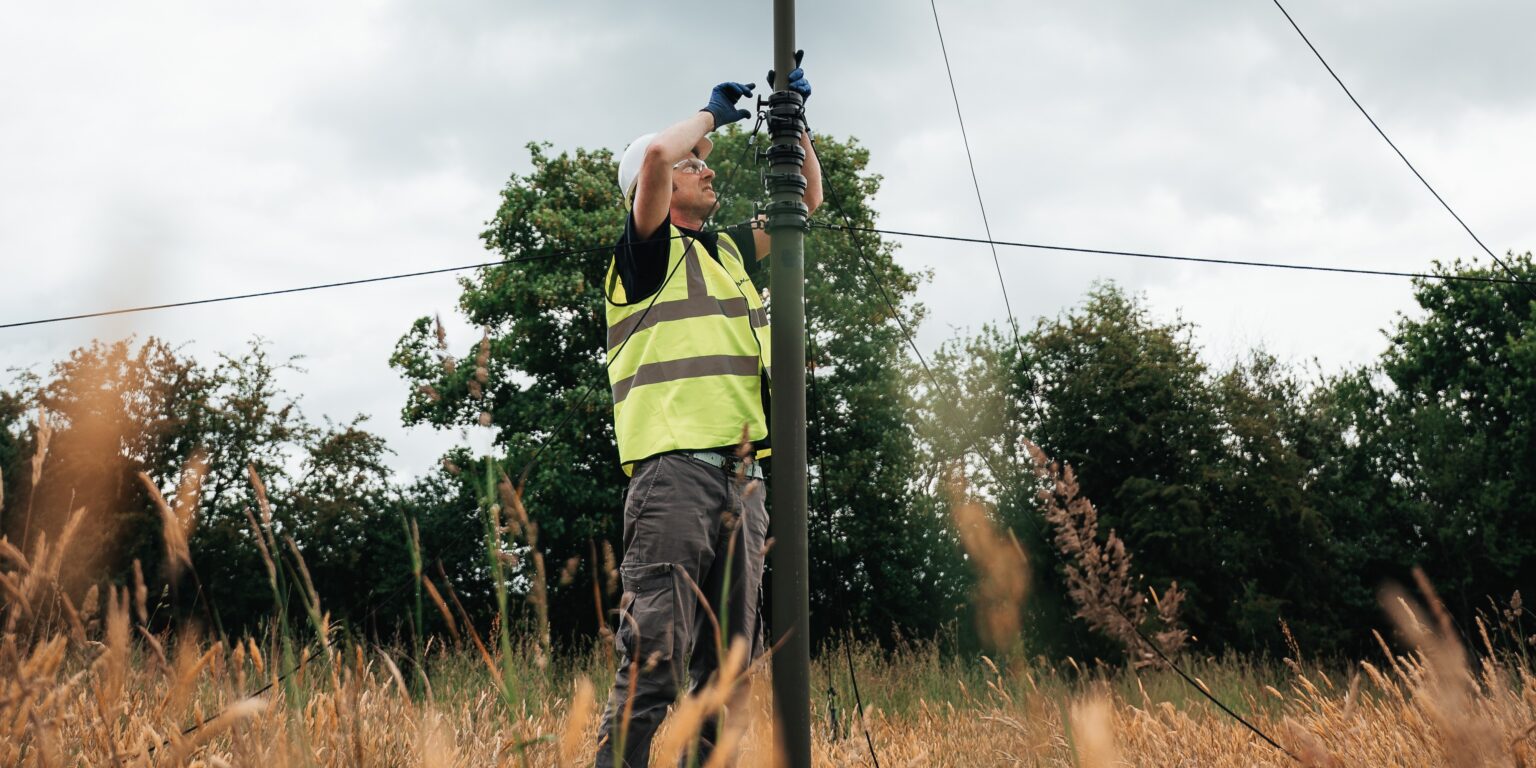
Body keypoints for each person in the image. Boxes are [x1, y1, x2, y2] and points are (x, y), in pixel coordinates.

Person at [593, 59, 821, 768]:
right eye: (700, 165)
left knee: (728, 673)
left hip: (743, 484)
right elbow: (661, 151)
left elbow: (805, 203)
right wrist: (713, 115)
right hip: (674, 479)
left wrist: (796, 126)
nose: (708, 171)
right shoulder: (643, 255)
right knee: (654, 663)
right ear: (653, 189)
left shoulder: (724, 252)